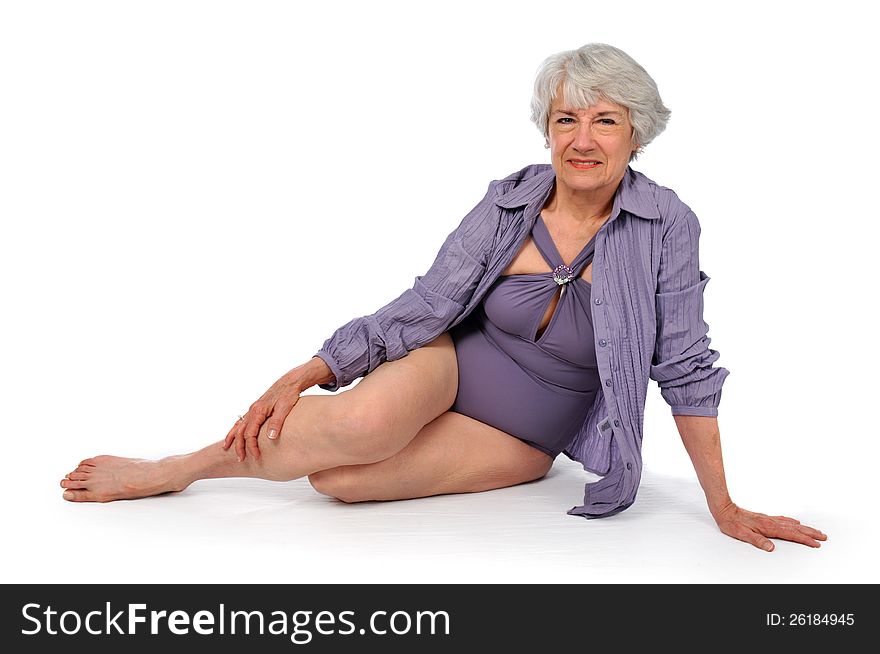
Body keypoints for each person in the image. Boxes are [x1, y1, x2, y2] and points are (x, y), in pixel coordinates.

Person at [60, 43, 826, 552]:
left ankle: (256, 457)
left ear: (637, 134)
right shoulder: (509, 202)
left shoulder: (665, 224)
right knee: (355, 422)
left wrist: (724, 505)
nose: (583, 139)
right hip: (455, 363)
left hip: (530, 426)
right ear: (547, 130)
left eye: (605, 120)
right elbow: (427, 301)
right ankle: (178, 469)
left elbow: (686, 366)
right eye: (566, 119)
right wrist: (307, 372)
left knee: (338, 480)